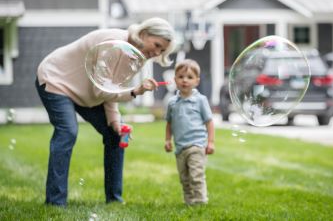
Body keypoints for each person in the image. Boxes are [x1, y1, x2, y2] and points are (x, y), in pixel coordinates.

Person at [35, 17, 175, 207]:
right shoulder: (112, 43)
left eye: (162, 50)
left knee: (115, 134)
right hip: (56, 80)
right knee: (67, 131)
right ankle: (55, 202)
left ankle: (114, 199)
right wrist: (136, 91)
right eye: (157, 45)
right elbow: (101, 90)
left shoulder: (137, 56)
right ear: (144, 33)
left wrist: (115, 122)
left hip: (85, 92)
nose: (156, 53)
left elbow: (112, 87)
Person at [164, 59, 215, 205]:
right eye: (181, 77)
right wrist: (167, 140)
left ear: (197, 81)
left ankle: (200, 201)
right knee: (184, 178)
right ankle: (189, 201)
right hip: (180, 147)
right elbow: (169, 123)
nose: (185, 80)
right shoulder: (172, 102)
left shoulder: (200, 100)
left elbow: (209, 122)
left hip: (197, 145)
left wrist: (210, 142)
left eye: (189, 77)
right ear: (175, 80)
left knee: (196, 175)